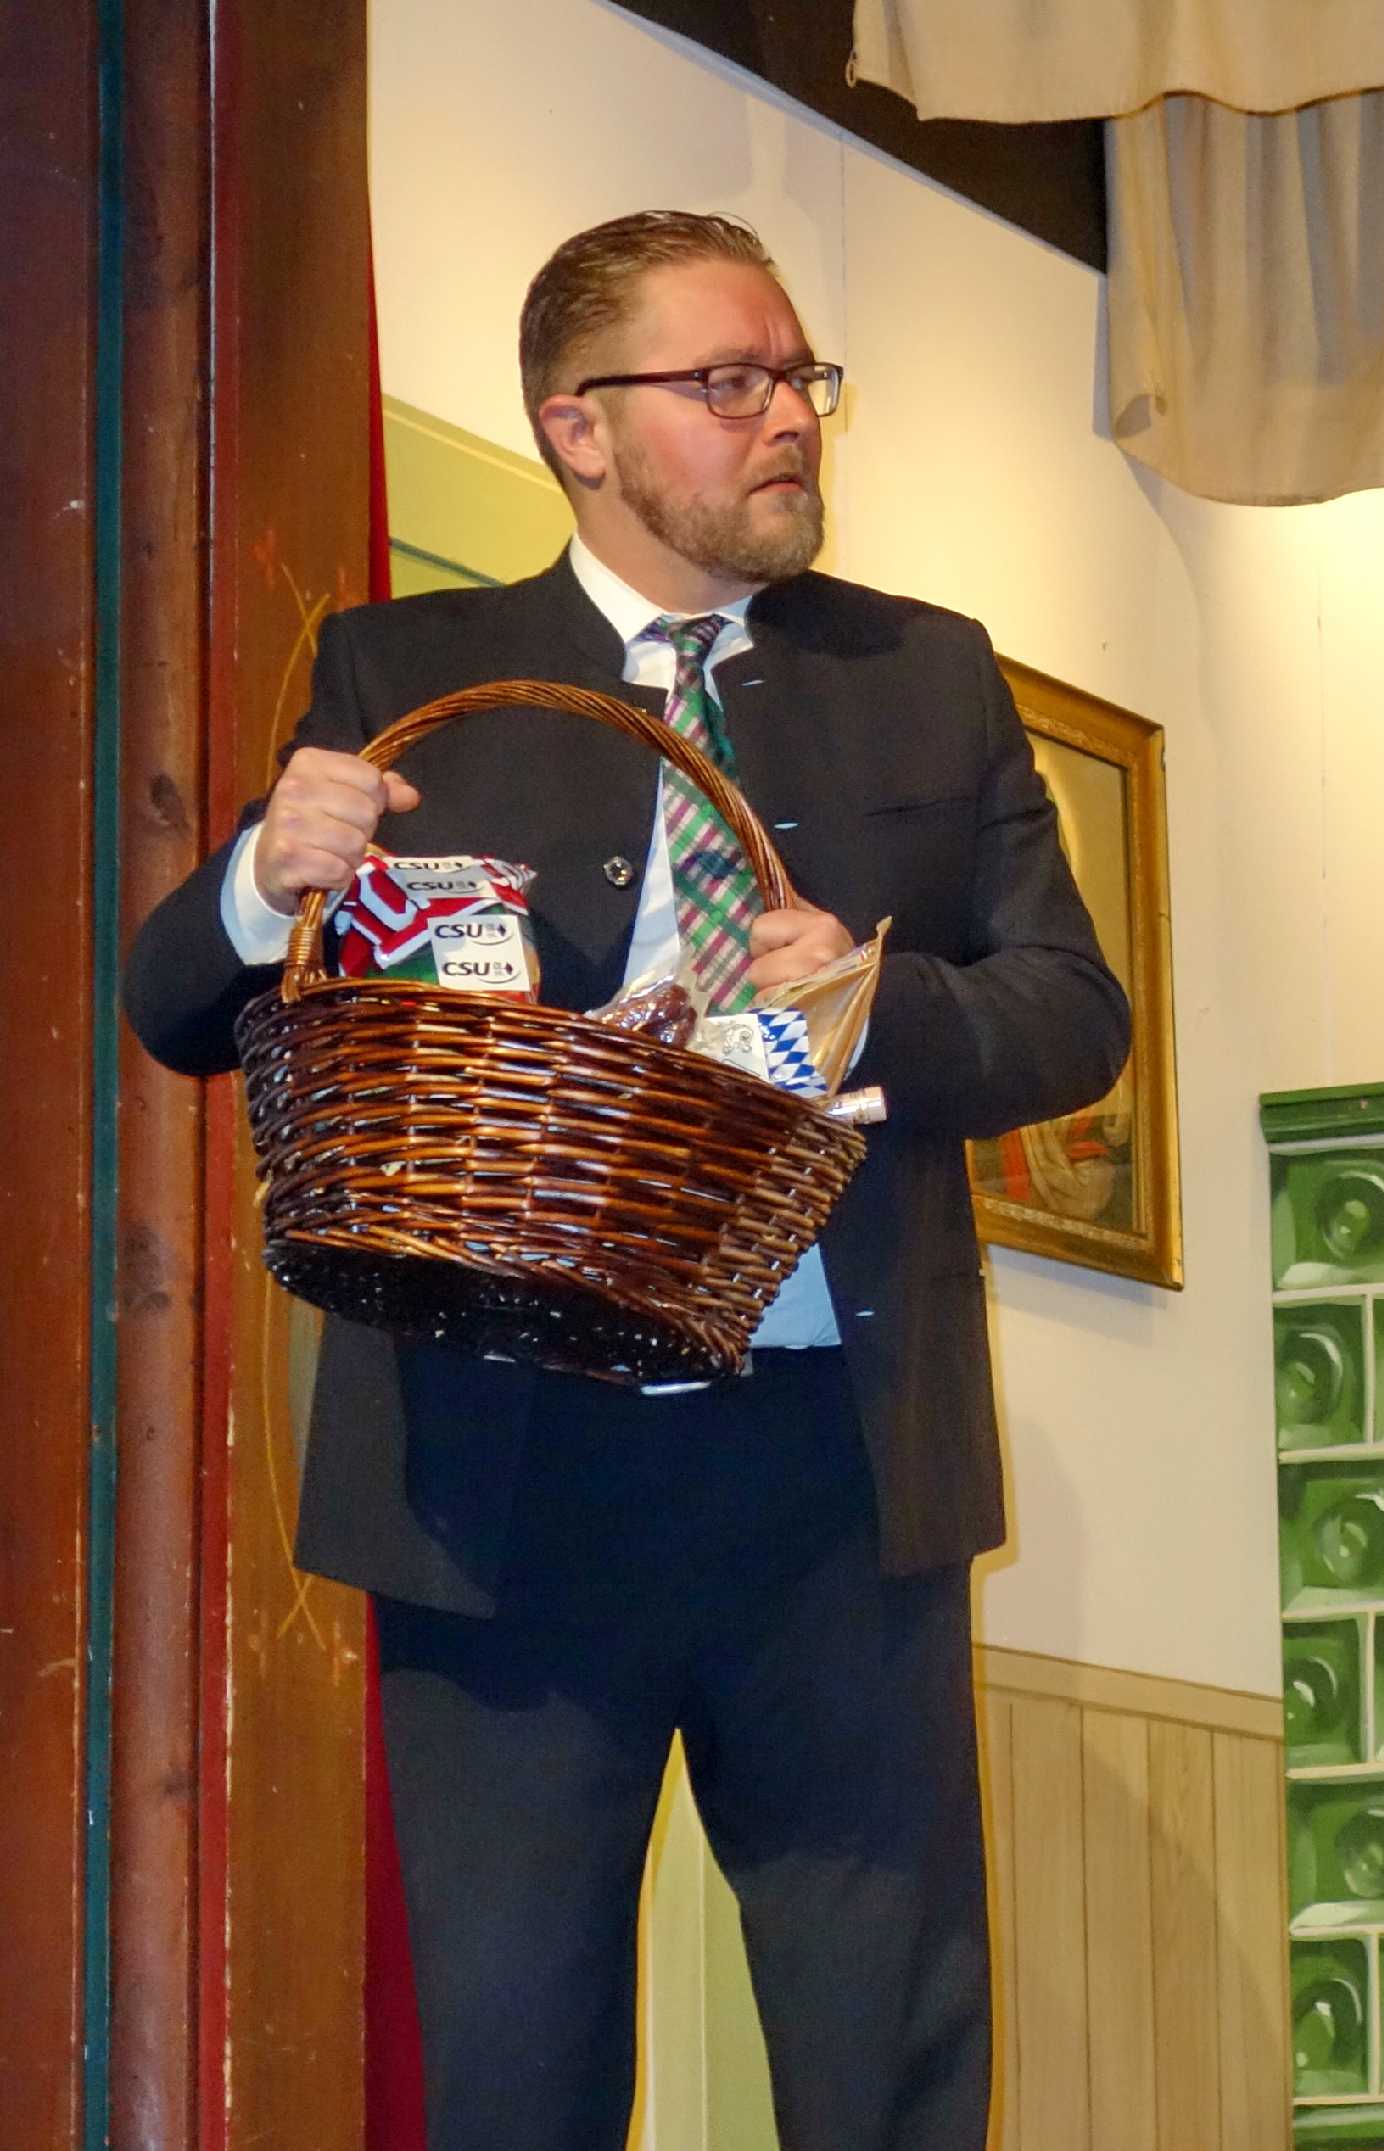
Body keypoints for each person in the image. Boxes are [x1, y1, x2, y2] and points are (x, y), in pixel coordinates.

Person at [123, 210, 1128, 2151]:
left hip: (841, 1471)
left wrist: (882, 1004)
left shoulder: (927, 674)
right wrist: (263, 873)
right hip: (502, 1480)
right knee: (516, 2077)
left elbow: (1074, 1015)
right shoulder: (413, 669)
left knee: (889, 2075)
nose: (790, 417)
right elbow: (174, 1000)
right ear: (577, 428)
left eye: (800, 376)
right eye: (729, 381)